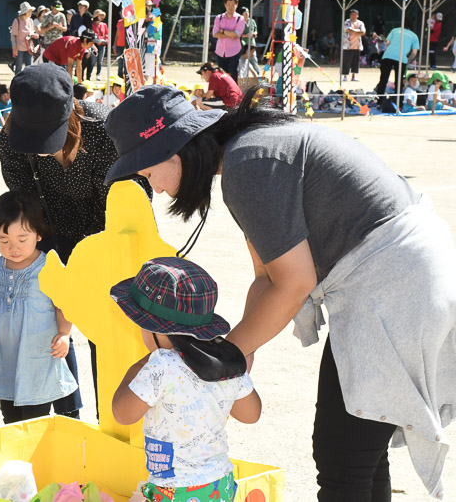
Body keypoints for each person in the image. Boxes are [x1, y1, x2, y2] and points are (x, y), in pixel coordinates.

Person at [103, 84, 456, 501]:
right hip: (407, 276)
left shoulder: (248, 164)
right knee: (359, 452)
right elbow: (267, 278)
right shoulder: (248, 150)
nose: (158, 189)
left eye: (149, 174)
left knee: (343, 461)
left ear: (173, 150)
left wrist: (222, 360)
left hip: (393, 286)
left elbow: (294, 283)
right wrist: (236, 353)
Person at [0, 63, 152, 419]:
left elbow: (131, 202)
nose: (39, 149)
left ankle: (110, 422)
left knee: (108, 335)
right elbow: (23, 199)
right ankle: (68, 416)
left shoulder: (105, 131)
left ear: (70, 114)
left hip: (108, 242)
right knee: (50, 329)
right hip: (51, 236)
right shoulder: (10, 137)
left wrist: (97, 261)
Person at [111, 258, 261, 502]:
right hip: (219, 485)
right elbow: (250, 415)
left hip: (174, 491)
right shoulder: (226, 363)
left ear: (152, 327)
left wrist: (138, 367)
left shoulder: (160, 366)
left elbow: (123, 414)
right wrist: (232, 384)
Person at [0, 191, 78, 424]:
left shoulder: (48, 267)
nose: (13, 248)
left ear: (38, 234)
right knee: (9, 415)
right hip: (7, 356)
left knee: (35, 417)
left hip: (37, 359)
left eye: (22, 239)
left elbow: (63, 304)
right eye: (4, 240)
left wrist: (64, 334)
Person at [375, 20, 420, 108]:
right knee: (399, 81)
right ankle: (398, 104)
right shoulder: (414, 36)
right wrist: (408, 59)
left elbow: (387, 43)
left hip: (387, 56)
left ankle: (379, 102)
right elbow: (414, 52)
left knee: (383, 80)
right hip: (401, 59)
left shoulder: (394, 30)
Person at [212, 0, 245, 82]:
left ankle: (233, 91)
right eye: (228, 5)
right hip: (220, 51)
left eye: (233, 5)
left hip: (234, 51)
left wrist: (223, 31)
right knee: (221, 76)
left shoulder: (240, 19)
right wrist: (230, 34)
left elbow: (236, 35)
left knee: (232, 76)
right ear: (225, 5)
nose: (230, 7)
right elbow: (215, 34)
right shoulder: (219, 18)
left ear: (236, 5)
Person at [11, 2, 38, 75]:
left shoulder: (31, 20)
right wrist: (14, 47)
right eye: (29, 11)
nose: (31, 12)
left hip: (29, 47)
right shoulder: (17, 21)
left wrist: (34, 35)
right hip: (19, 48)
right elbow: (13, 35)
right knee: (18, 68)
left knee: (30, 67)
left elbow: (32, 32)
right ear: (25, 12)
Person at [341, 9, 366, 82]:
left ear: (357, 15)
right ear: (350, 15)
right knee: (346, 62)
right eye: (352, 14)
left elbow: (363, 32)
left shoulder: (360, 23)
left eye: (355, 14)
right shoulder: (346, 22)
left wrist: (354, 31)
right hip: (347, 46)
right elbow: (348, 30)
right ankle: (345, 76)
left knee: (355, 62)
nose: (354, 16)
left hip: (357, 46)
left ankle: (354, 76)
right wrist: (358, 31)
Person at [92, 10, 109, 81]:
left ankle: (98, 74)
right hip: (93, 44)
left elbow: (107, 34)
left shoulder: (104, 25)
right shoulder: (92, 24)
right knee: (93, 60)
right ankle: (89, 74)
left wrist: (106, 40)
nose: (102, 17)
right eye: (100, 16)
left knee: (100, 60)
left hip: (102, 44)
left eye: (103, 16)